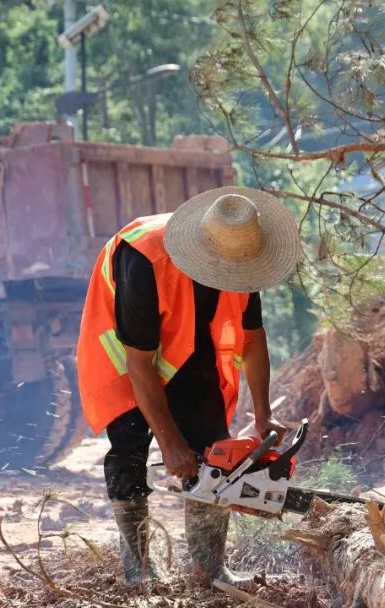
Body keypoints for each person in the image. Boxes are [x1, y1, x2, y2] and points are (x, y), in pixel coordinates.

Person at [75, 186, 301, 586]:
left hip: (189, 350)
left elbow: (251, 337)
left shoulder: (244, 256)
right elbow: (141, 365)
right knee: (129, 446)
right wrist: (170, 442)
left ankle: (208, 567)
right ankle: (138, 568)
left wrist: (263, 415)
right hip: (127, 355)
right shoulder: (145, 260)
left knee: (215, 447)